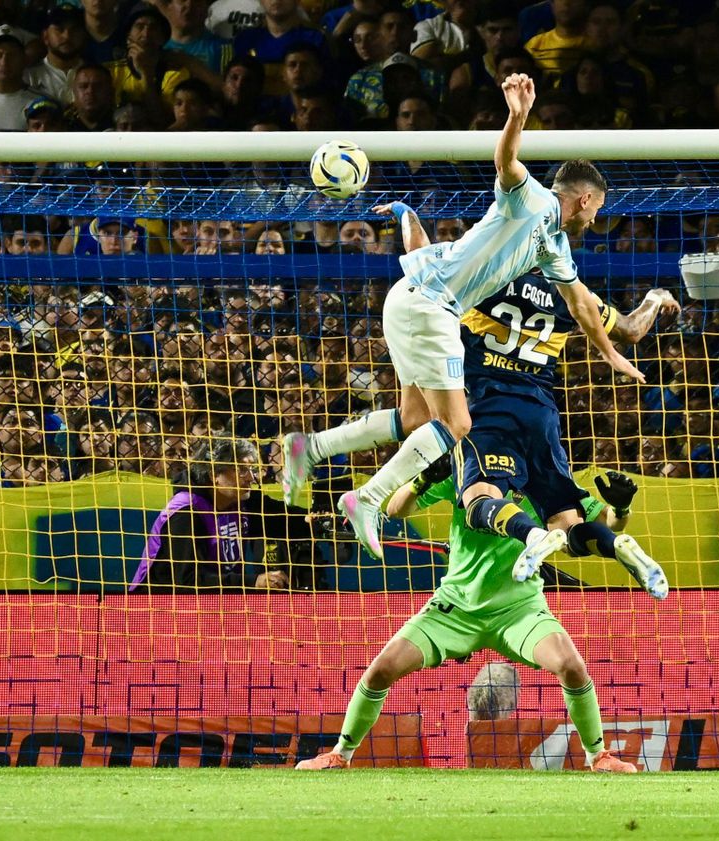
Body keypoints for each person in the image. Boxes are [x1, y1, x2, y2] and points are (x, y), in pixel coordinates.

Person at [281, 72, 643, 561]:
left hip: (411, 298)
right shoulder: (531, 199)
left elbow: (579, 303)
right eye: (598, 208)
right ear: (584, 199)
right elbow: (507, 162)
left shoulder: (554, 244)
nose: (598, 218)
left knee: (415, 417)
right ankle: (366, 500)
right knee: (455, 425)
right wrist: (517, 116)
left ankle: (311, 446)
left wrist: (611, 352)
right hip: (430, 306)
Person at [294, 459, 650, 772]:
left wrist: (621, 507)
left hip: (518, 609)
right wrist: (422, 480)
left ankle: (599, 756)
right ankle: (340, 754)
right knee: (381, 670)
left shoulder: (547, 478)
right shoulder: (469, 472)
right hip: (456, 608)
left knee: (571, 666)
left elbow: (608, 523)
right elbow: (396, 509)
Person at [129, 437, 310, 592]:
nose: (251, 478)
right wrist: (252, 581)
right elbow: (188, 581)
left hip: (210, 607)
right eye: (241, 470)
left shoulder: (240, 501)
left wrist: (317, 520)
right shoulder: (186, 512)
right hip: (158, 607)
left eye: (253, 470)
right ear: (214, 474)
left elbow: (285, 520)